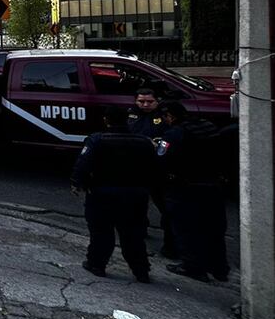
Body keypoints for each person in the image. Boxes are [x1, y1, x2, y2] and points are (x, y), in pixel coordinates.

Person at [71, 106, 157, 283]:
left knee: (101, 232)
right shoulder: (144, 142)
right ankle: (141, 270)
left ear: (106, 120)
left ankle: (97, 264)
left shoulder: (97, 140)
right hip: (135, 195)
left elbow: (83, 164)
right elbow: (154, 168)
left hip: (103, 193)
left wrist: (77, 183)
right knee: (133, 234)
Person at [156, 102, 229, 282]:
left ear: (170, 117)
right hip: (213, 185)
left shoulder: (174, 133)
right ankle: (220, 268)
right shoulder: (207, 126)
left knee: (186, 228)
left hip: (185, 187)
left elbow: (161, 160)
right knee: (214, 229)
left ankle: (193, 267)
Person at [127, 88, 176, 259]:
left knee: (163, 204)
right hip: (135, 166)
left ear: (157, 101)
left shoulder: (164, 115)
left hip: (158, 167)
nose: (145, 104)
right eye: (141, 101)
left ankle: (171, 245)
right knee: (136, 203)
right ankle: (140, 230)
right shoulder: (130, 114)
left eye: (149, 101)